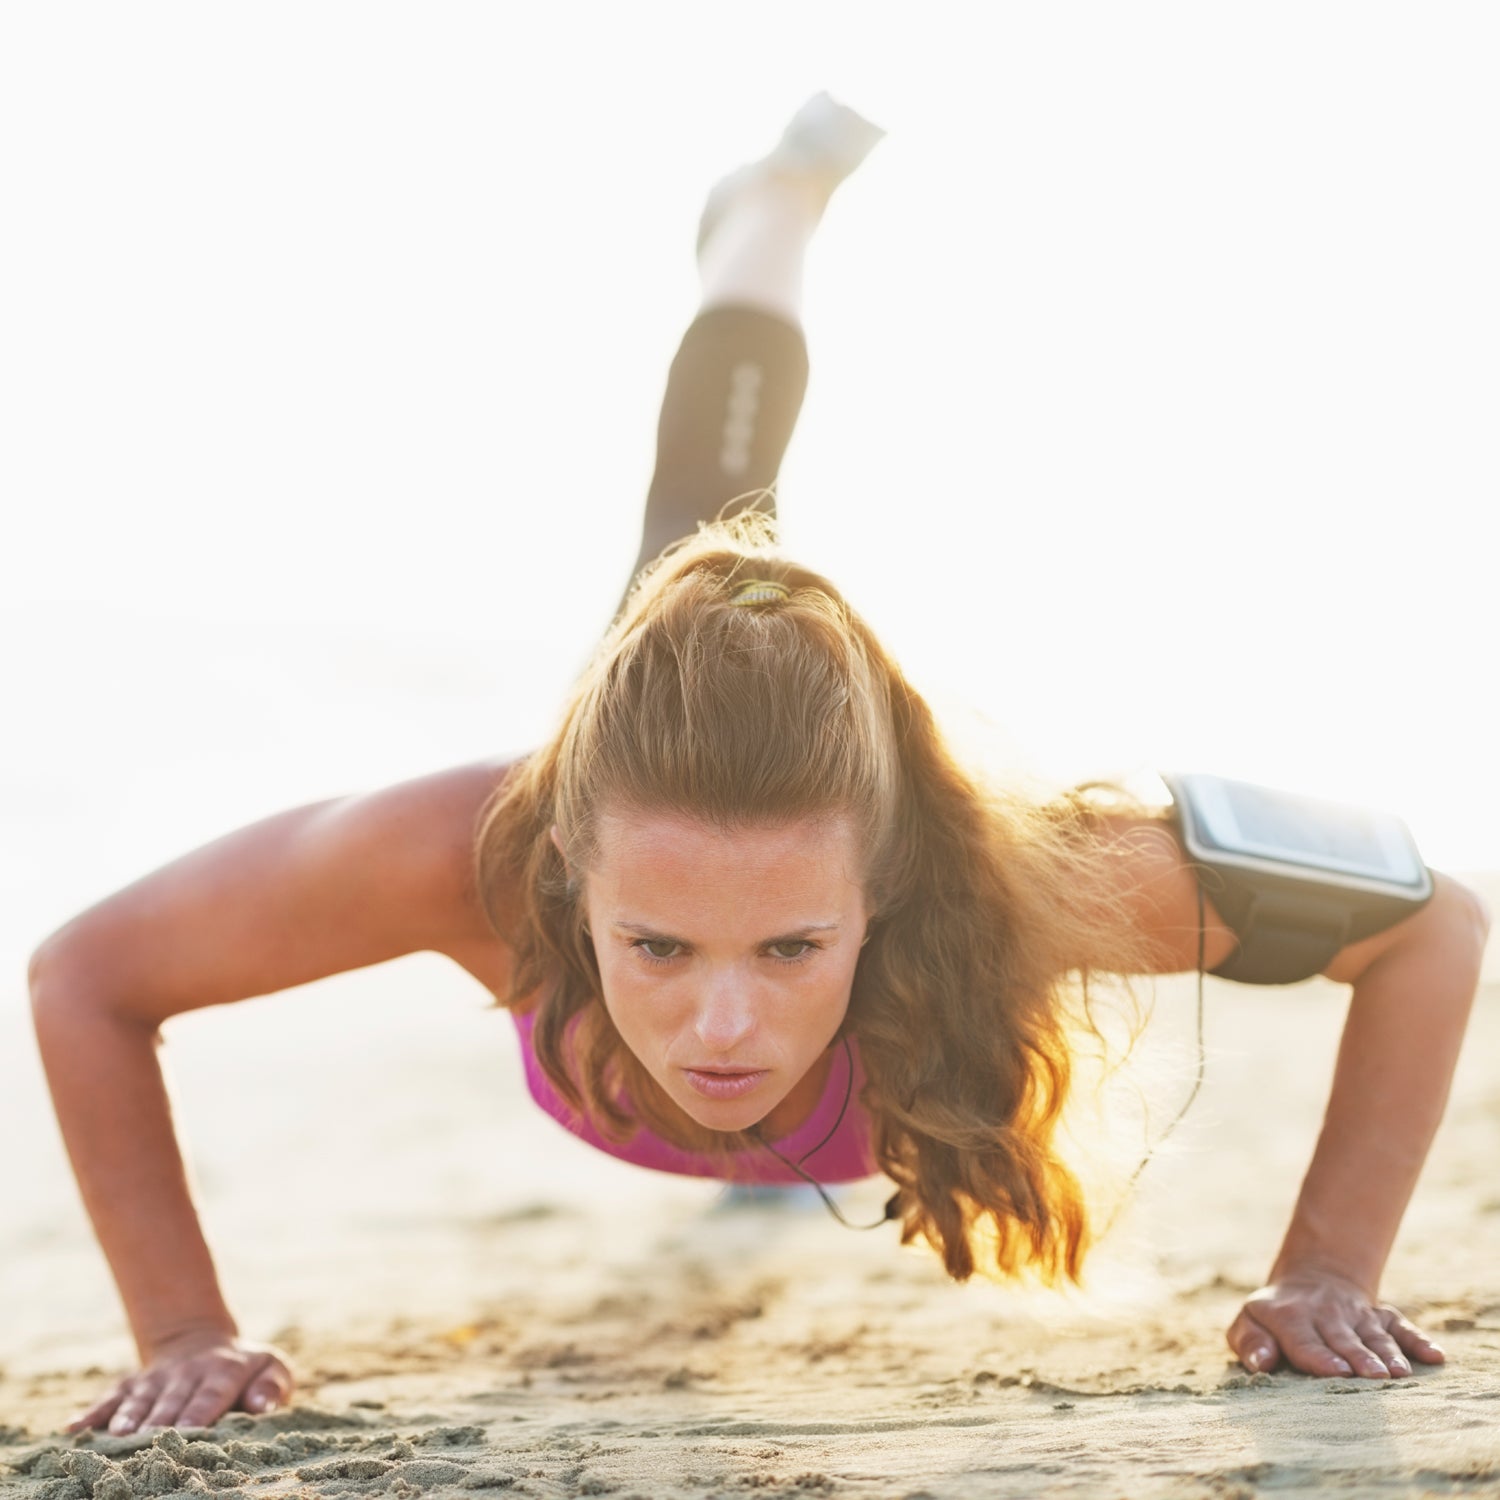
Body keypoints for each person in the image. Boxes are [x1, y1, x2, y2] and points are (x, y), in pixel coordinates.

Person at [29, 93, 1490, 1439]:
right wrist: (180, 1329)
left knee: (709, 514)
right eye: (655, 946)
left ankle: (767, 215)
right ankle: (769, 211)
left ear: (888, 887)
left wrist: (1325, 1272)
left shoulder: (1012, 870)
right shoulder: (467, 856)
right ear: (564, 882)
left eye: (794, 945)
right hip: (637, 759)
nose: (723, 1025)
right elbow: (84, 977)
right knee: (694, 522)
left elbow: (1434, 923)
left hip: (850, 809)